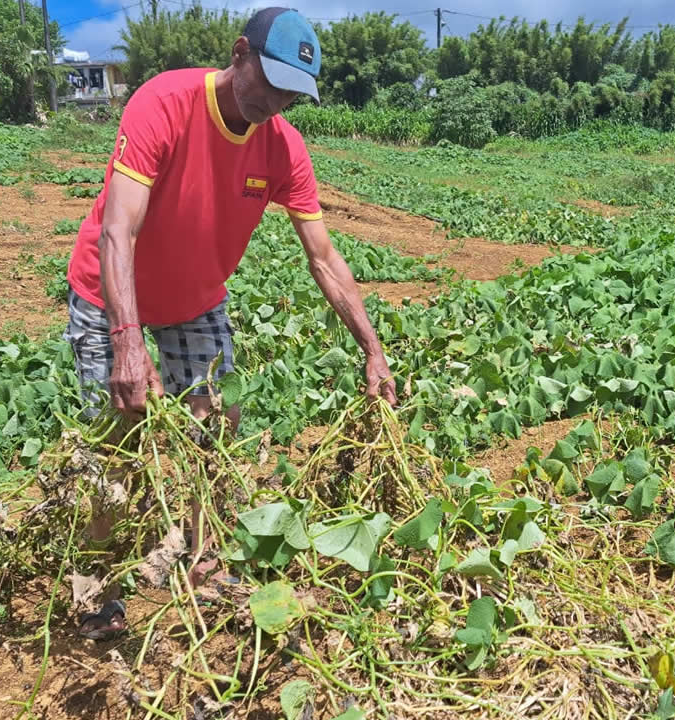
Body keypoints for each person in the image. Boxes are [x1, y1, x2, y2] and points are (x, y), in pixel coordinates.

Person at [63, 7, 397, 639]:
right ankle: (93, 583)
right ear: (239, 54)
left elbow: (323, 255)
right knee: (115, 440)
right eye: (269, 83)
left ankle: (202, 556)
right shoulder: (164, 102)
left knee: (216, 425)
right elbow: (118, 229)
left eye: (292, 95)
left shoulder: (282, 146)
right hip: (111, 294)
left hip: (194, 297)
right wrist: (128, 346)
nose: (275, 102)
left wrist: (372, 348)